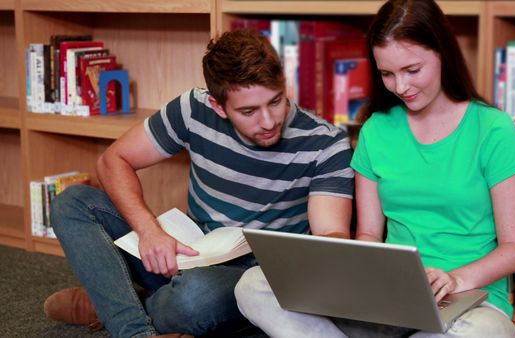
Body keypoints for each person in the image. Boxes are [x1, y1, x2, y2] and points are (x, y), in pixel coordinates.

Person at [234, 0, 515, 337]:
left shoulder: (493, 129)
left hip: (470, 299)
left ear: (443, 53)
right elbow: (370, 234)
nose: (400, 87)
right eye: (387, 74)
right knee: (254, 285)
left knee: (483, 333)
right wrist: (366, 285)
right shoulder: (375, 130)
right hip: (393, 295)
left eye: (412, 70)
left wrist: (455, 279)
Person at [44, 29, 354, 338]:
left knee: (194, 299)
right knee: (73, 203)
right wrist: (149, 231)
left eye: (276, 101)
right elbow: (112, 161)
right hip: (188, 253)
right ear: (218, 106)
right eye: (248, 111)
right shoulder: (193, 110)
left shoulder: (324, 142)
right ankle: (135, 327)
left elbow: (329, 233)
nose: (269, 121)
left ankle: (114, 304)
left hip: (254, 279)